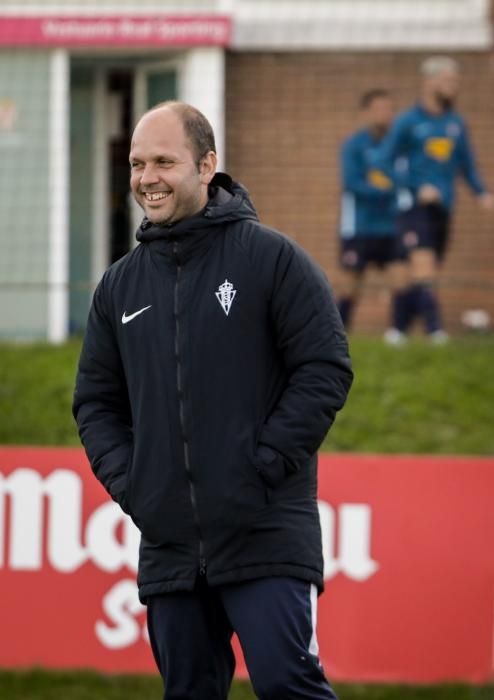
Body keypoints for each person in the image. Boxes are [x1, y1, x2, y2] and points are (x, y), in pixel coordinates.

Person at [73, 101, 353, 700]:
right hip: (171, 546)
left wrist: (263, 465)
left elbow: (324, 367)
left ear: (207, 165)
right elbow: (96, 404)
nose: (147, 178)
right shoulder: (119, 286)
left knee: (288, 686)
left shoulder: (272, 260)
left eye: (164, 162)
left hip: (265, 535)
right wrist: (137, 485)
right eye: (137, 163)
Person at [378, 56, 493, 344]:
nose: (453, 87)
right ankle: (434, 329)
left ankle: (397, 330)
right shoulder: (408, 121)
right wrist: (416, 188)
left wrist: (482, 193)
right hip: (414, 206)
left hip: (444, 207)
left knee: (414, 271)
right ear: (428, 82)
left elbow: (467, 164)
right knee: (423, 263)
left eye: (455, 82)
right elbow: (382, 161)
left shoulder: (456, 123)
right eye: (446, 81)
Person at [337, 89, 410, 340]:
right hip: (359, 227)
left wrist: (390, 188)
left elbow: (405, 180)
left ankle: (397, 334)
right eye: (378, 109)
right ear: (366, 113)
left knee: (401, 279)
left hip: (392, 226)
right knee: (351, 284)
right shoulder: (354, 145)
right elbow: (352, 183)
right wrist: (385, 189)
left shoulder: (399, 147)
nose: (384, 115)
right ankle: (337, 334)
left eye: (389, 109)